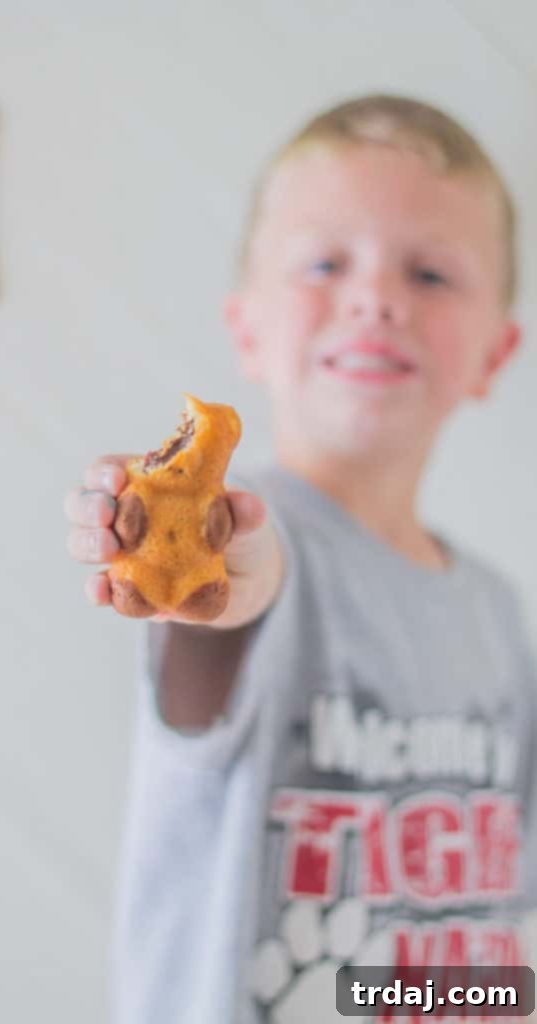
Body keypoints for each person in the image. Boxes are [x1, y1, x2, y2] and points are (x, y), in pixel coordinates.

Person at [64, 94, 537, 1023]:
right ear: (247, 330)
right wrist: (215, 560)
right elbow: (235, 594)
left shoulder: (494, 612)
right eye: (325, 263)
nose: (374, 297)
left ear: (494, 352)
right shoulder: (252, 543)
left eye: (432, 273)